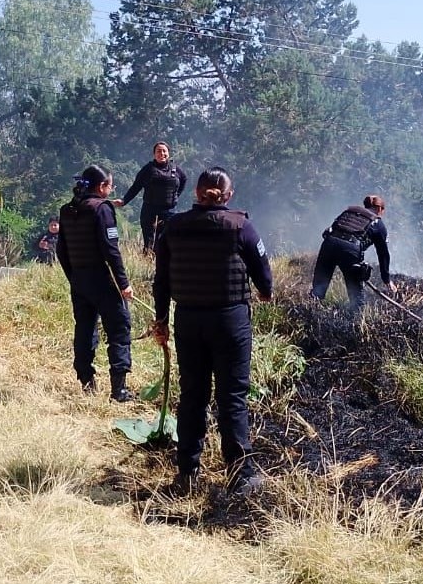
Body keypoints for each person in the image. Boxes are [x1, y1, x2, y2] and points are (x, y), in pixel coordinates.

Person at [152, 167, 273, 496]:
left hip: (188, 320)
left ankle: (187, 474)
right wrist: (265, 291)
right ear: (228, 195)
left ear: (196, 193)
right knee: (232, 397)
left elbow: (161, 280)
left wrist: (160, 321)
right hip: (229, 320)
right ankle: (240, 476)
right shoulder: (240, 225)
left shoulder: (173, 227)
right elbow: (262, 267)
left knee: (192, 396)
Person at [57, 165, 134, 401]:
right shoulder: (102, 208)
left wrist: (74, 277)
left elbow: (61, 251)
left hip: (79, 280)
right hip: (103, 280)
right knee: (119, 329)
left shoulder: (67, 210)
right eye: (110, 186)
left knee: (84, 329)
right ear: (102, 187)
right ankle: (119, 390)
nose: (111, 190)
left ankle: (87, 383)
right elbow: (111, 251)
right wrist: (123, 284)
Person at [310, 195, 394, 310]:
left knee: (318, 290)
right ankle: (355, 318)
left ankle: (311, 311)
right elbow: (383, 253)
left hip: (329, 244)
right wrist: (387, 280)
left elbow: (332, 228)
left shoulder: (349, 212)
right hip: (349, 250)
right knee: (357, 299)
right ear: (380, 209)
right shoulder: (377, 223)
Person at [113, 141, 187, 254]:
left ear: (168, 153)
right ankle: (147, 263)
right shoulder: (148, 169)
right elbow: (136, 186)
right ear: (154, 154)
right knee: (150, 243)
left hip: (169, 211)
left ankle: (163, 263)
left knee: (166, 242)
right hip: (150, 211)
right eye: (158, 151)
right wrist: (124, 201)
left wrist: (176, 195)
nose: (161, 154)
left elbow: (184, 180)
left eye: (164, 151)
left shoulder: (176, 170)